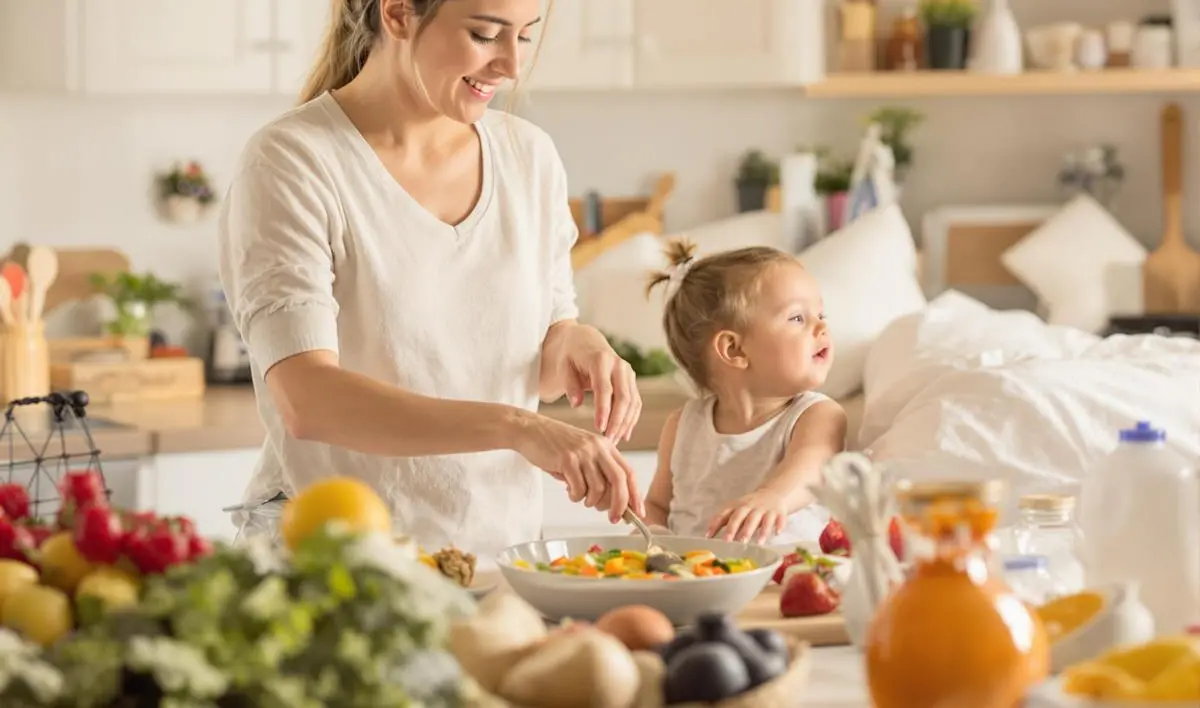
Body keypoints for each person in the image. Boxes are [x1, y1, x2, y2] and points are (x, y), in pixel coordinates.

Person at [216, 0, 645, 557]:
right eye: (486, 34)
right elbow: (308, 400)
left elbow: (539, 360)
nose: (511, 65)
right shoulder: (293, 162)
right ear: (398, 15)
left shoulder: (528, 157)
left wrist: (578, 342)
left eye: (525, 37)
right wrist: (521, 429)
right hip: (336, 566)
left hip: (499, 558)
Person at [639, 239, 847, 545]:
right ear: (734, 349)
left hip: (784, 581)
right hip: (699, 578)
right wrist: (653, 534)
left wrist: (773, 496)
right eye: (797, 318)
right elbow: (657, 505)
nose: (821, 328)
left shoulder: (817, 415)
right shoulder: (682, 426)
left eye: (821, 315)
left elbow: (814, 467)